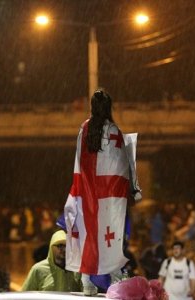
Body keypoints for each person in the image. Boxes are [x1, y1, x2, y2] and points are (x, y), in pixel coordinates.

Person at [63, 89, 141, 296]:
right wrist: (130, 190)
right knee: (111, 235)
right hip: (110, 197)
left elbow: (78, 163)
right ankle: (116, 278)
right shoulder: (114, 130)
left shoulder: (84, 129)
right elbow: (123, 166)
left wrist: (80, 190)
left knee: (89, 234)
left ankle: (87, 282)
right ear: (109, 107)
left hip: (88, 193)